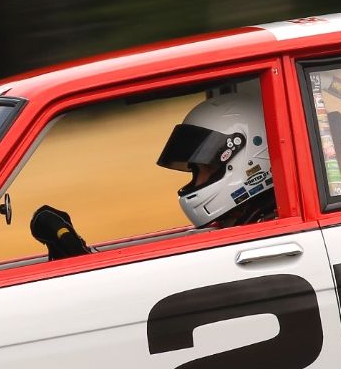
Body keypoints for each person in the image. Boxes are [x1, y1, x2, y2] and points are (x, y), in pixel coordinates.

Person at [30, 84, 274, 260]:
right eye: (194, 171)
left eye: (206, 168)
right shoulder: (239, 224)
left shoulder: (265, 234)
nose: (197, 181)